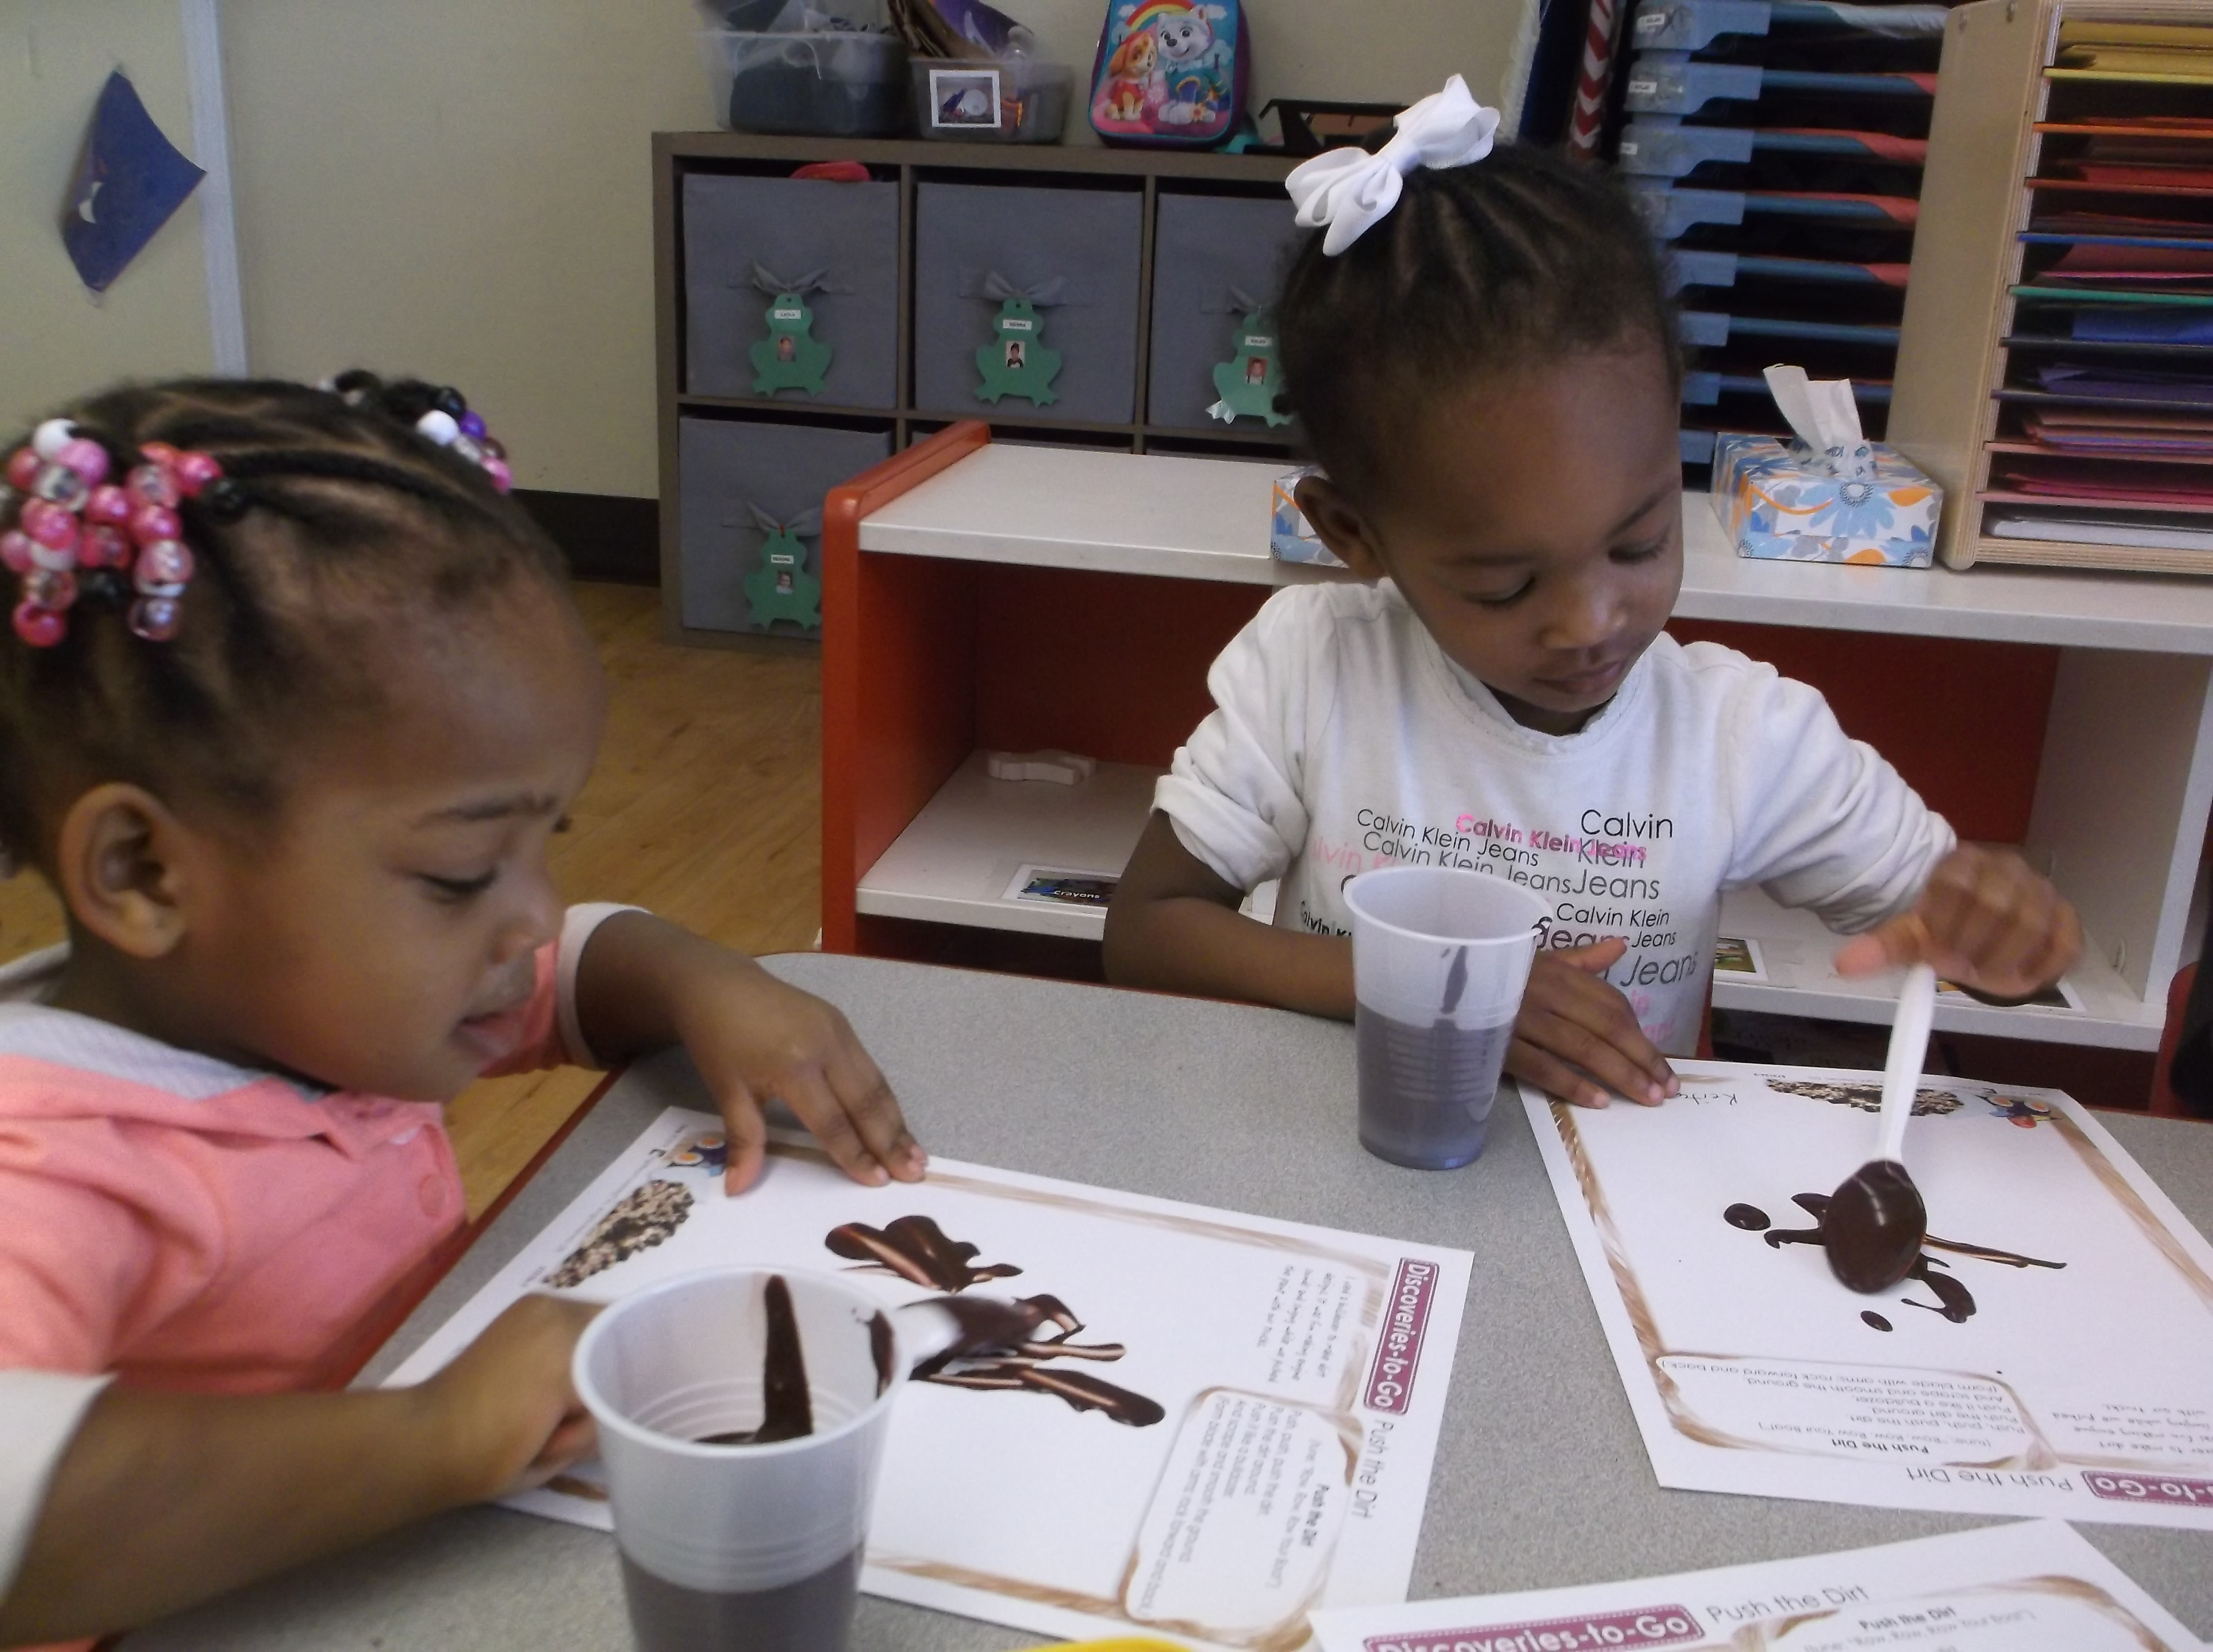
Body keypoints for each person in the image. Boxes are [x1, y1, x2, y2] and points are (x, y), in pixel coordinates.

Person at [0, 373, 925, 1646]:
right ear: (147, 875)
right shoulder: (49, 1159)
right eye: (458, 874)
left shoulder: (305, 1003)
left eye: (548, 840)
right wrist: (429, 1439)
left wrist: (709, 982)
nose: (533, 916)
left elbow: (573, 975)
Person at [1104, 77, 2080, 1109]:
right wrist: (1440, 988)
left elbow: (1977, 940)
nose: (1590, 621)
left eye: (1641, 541)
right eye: (1506, 584)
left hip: (1619, 1204)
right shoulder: (1314, 668)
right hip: (1356, 1170)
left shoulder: (1742, 736)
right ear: (1355, 536)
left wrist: (2008, 930)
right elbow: (1148, 930)